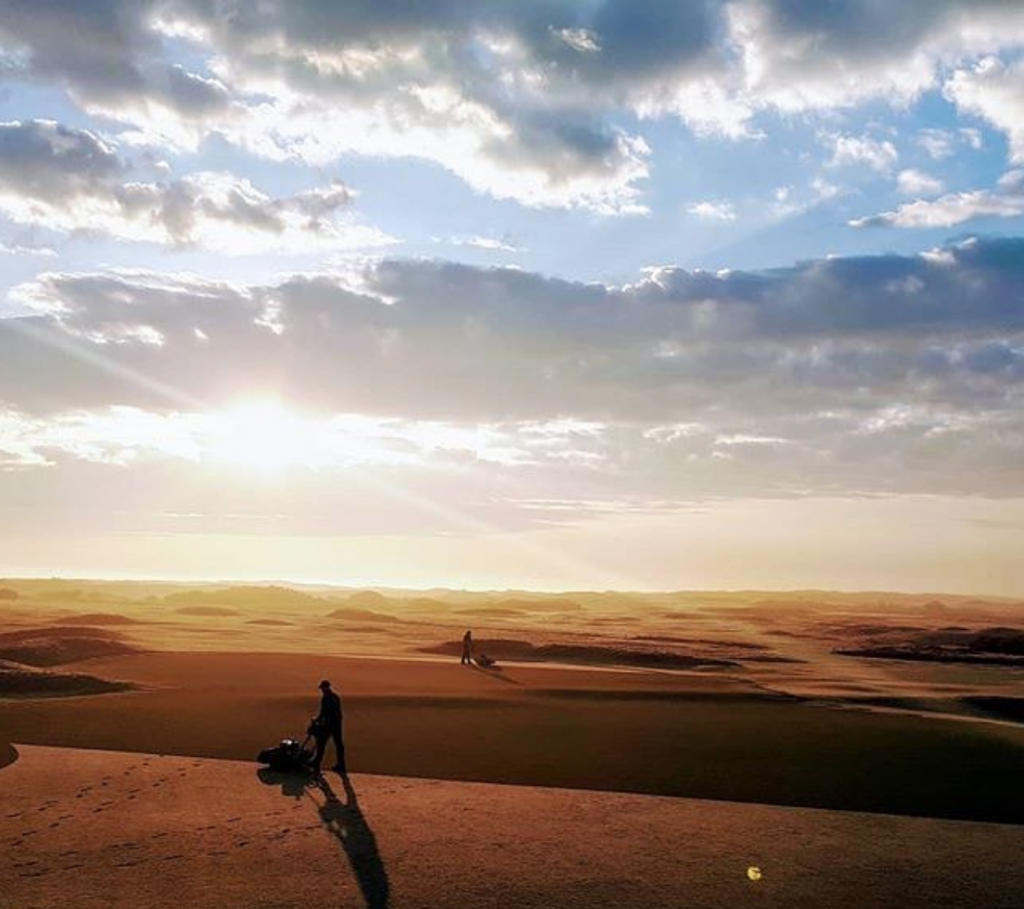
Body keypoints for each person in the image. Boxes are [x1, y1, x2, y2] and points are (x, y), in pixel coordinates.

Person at [310, 679, 346, 775]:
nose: (321, 689)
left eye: (322, 688)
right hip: (336, 723)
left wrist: (318, 720)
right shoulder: (334, 696)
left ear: (326, 687)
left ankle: (317, 763)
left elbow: (325, 712)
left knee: (321, 742)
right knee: (338, 744)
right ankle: (341, 765)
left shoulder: (327, 697)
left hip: (330, 724)